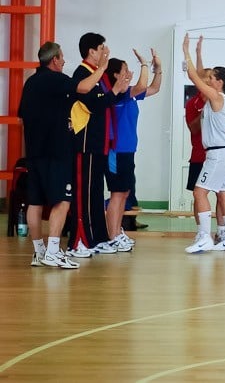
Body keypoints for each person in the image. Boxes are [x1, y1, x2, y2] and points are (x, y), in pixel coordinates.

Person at [19, 41, 112, 268]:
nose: (63, 61)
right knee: (62, 201)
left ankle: (39, 253)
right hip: (56, 151)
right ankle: (52, 252)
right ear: (54, 60)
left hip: (33, 152)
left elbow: (22, 117)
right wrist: (102, 68)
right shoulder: (56, 79)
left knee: (35, 202)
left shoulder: (30, 83)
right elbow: (82, 88)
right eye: (61, 58)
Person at [67, 33, 129, 258]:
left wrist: (116, 89)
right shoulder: (82, 73)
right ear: (91, 51)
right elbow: (89, 99)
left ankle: (97, 239)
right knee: (83, 193)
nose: (106, 52)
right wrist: (103, 73)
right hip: (85, 144)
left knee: (95, 193)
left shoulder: (96, 75)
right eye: (102, 48)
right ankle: (79, 241)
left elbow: (104, 101)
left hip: (99, 144)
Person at [181, 33, 225, 253]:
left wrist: (186, 51)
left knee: (199, 193)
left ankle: (205, 237)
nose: (208, 80)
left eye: (212, 78)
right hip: (223, 152)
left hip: (217, 154)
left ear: (219, 82)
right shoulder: (222, 98)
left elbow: (195, 77)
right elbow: (200, 75)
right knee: (223, 194)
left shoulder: (217, 97)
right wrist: (196, 54)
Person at [103, 49, 162, 252]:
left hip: (128, 150)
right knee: (117, 194)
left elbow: (154, 88)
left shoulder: (130, 95)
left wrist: (159, 69)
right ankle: (112, 236)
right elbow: (143, 85)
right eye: (126, 70)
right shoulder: (118, 94)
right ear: (116, 75)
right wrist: (144, 64)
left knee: (124, 193)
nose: (129, 73)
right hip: (116, 151)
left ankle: (117, 232)